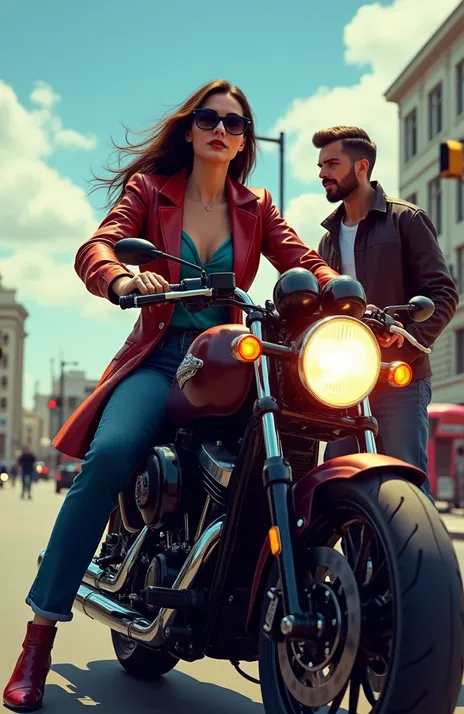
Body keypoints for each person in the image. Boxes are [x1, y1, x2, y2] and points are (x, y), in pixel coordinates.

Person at [3, 79, 343, 713]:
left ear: (245, 140)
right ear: (190, 129)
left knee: (298, 438)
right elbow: (96, 247)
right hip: (164, 359)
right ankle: (39, 639)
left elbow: (304, 261)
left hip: (234, 361)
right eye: (210, 119)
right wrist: (120, 275)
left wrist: (344, 292)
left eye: (236, 124)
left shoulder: (256, 206)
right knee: (110, 459)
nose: (223, 130)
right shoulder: (151, 193)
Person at [313, 125, 458, 479]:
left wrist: (407, 336)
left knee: (404, 480)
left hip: (400, 378)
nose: (322, 174)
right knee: (338, 483)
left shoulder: (406, 219)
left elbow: (443, 294)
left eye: (332, 164)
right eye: (320, 166)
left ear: (361, 167)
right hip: (344, 384)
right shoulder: (327, 241)